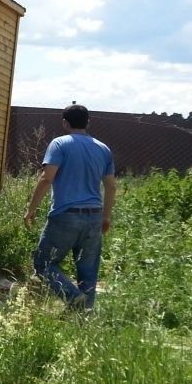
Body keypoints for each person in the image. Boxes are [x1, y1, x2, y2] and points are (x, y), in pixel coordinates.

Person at [24, 103, 117, 309]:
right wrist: (106, 217)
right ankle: (83, 318)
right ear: (88, 122)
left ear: (65, 123)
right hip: (94, 216)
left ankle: (73, 297)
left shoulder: (59, 144)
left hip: (66, 215)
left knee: (44, 264)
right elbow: (111, 187)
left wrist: (31, 209)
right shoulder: (103, 149)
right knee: (88, 271)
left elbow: (46, 178)